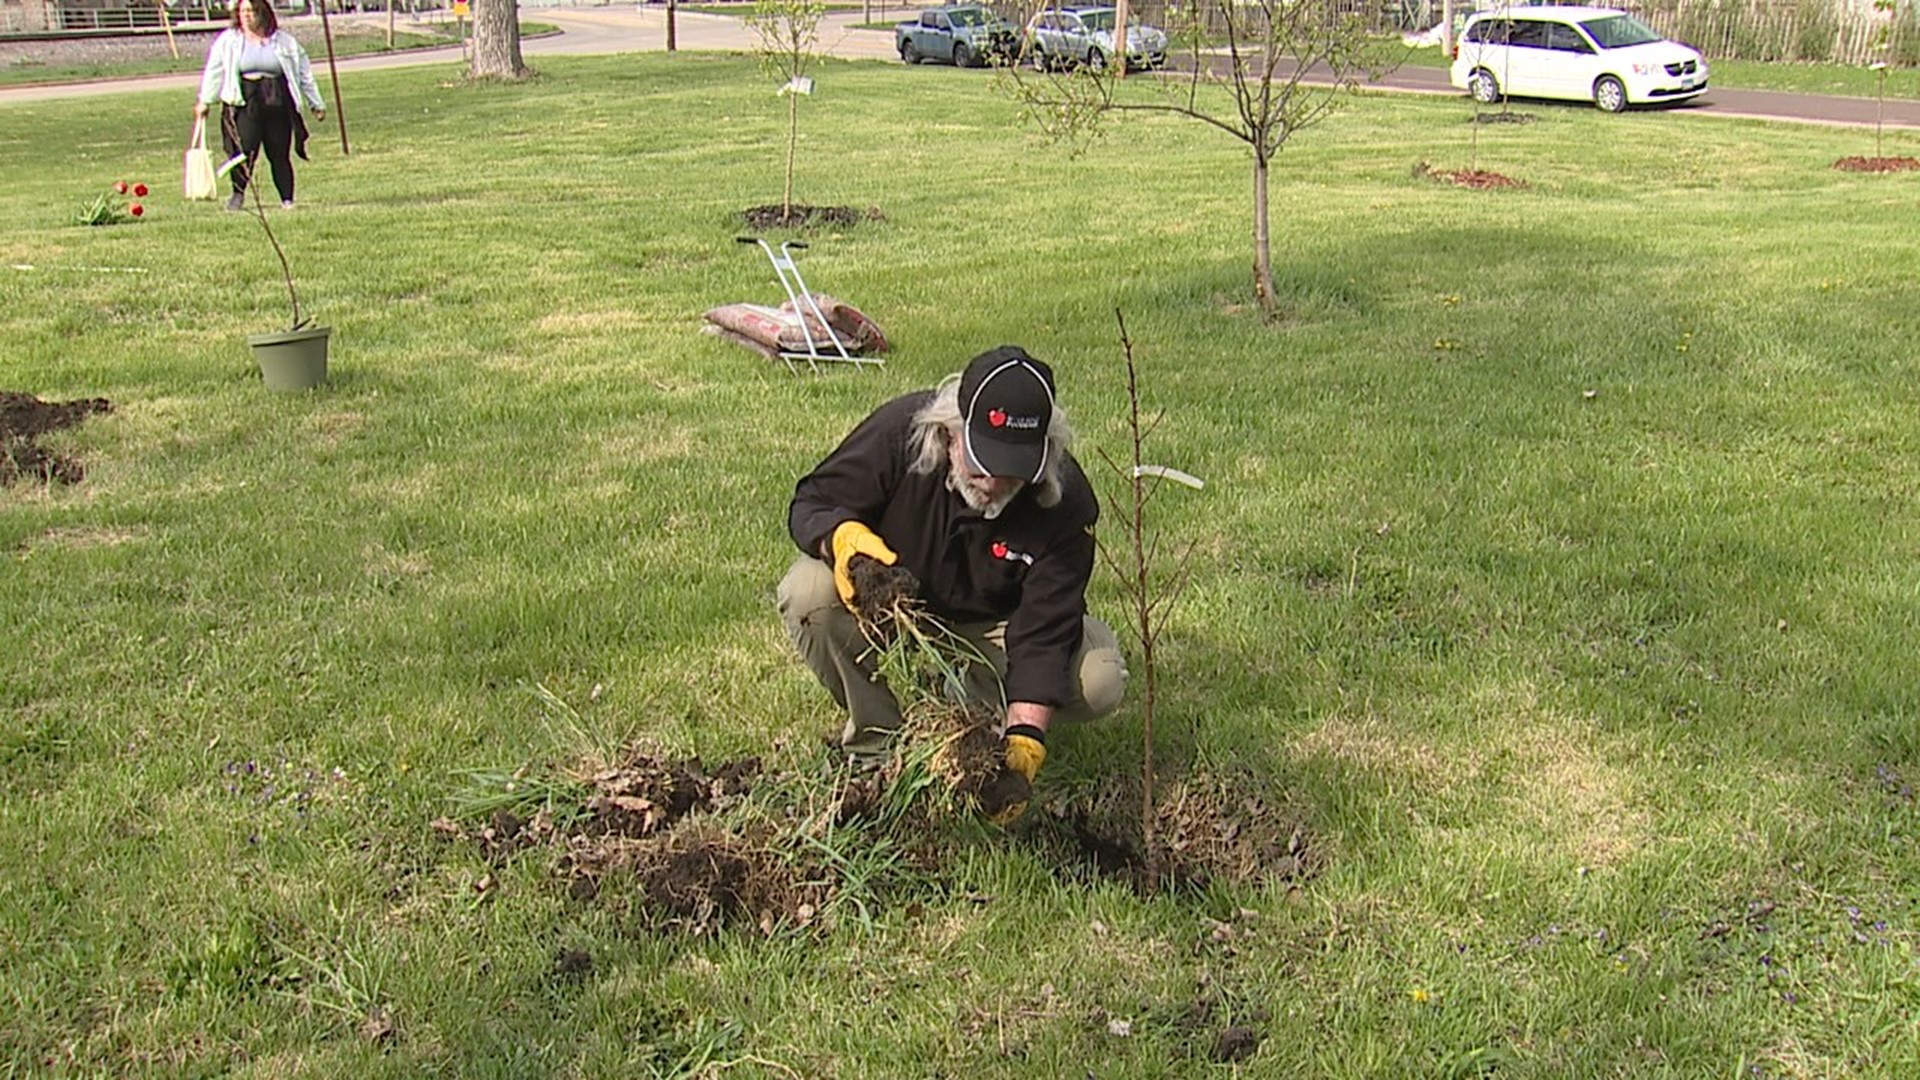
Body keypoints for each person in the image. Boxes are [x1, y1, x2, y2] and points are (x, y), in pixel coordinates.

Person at [779, 345, 1127, 822]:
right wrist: (843, 538)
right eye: (981, 459)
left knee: (1100, 678)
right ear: (949, 430)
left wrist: (1024, 744)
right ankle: (876, 749)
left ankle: (972, 731)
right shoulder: (900, 432)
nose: (991, 480)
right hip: (897, 614)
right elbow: (813, 500)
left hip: (991, 629)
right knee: (807, 593)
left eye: (1011, 469)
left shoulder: (1063, 503)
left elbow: (1045, 629)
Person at [193, 0, 326, 212]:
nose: (247, 15)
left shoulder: (284, 42)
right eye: (243, 11)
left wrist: (316, 103)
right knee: (243, 151)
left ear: (263, 13)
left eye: (252, 11)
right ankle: (237, 194)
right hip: (244, 102)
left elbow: (304, 74)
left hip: (277, 100)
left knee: (279, 152)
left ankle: (287, 199)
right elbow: (214, 71)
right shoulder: (229, 41)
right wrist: (205, 101)